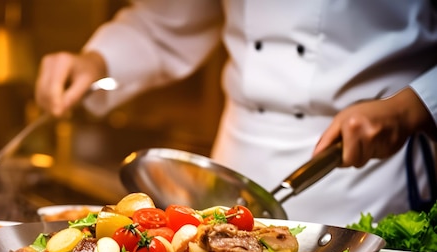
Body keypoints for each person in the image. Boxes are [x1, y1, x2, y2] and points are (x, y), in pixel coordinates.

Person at [34, 0, 437, 226]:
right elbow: (170, 19)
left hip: (365, 170)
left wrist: (413, 105)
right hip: (237, 163)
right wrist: (98, 60)